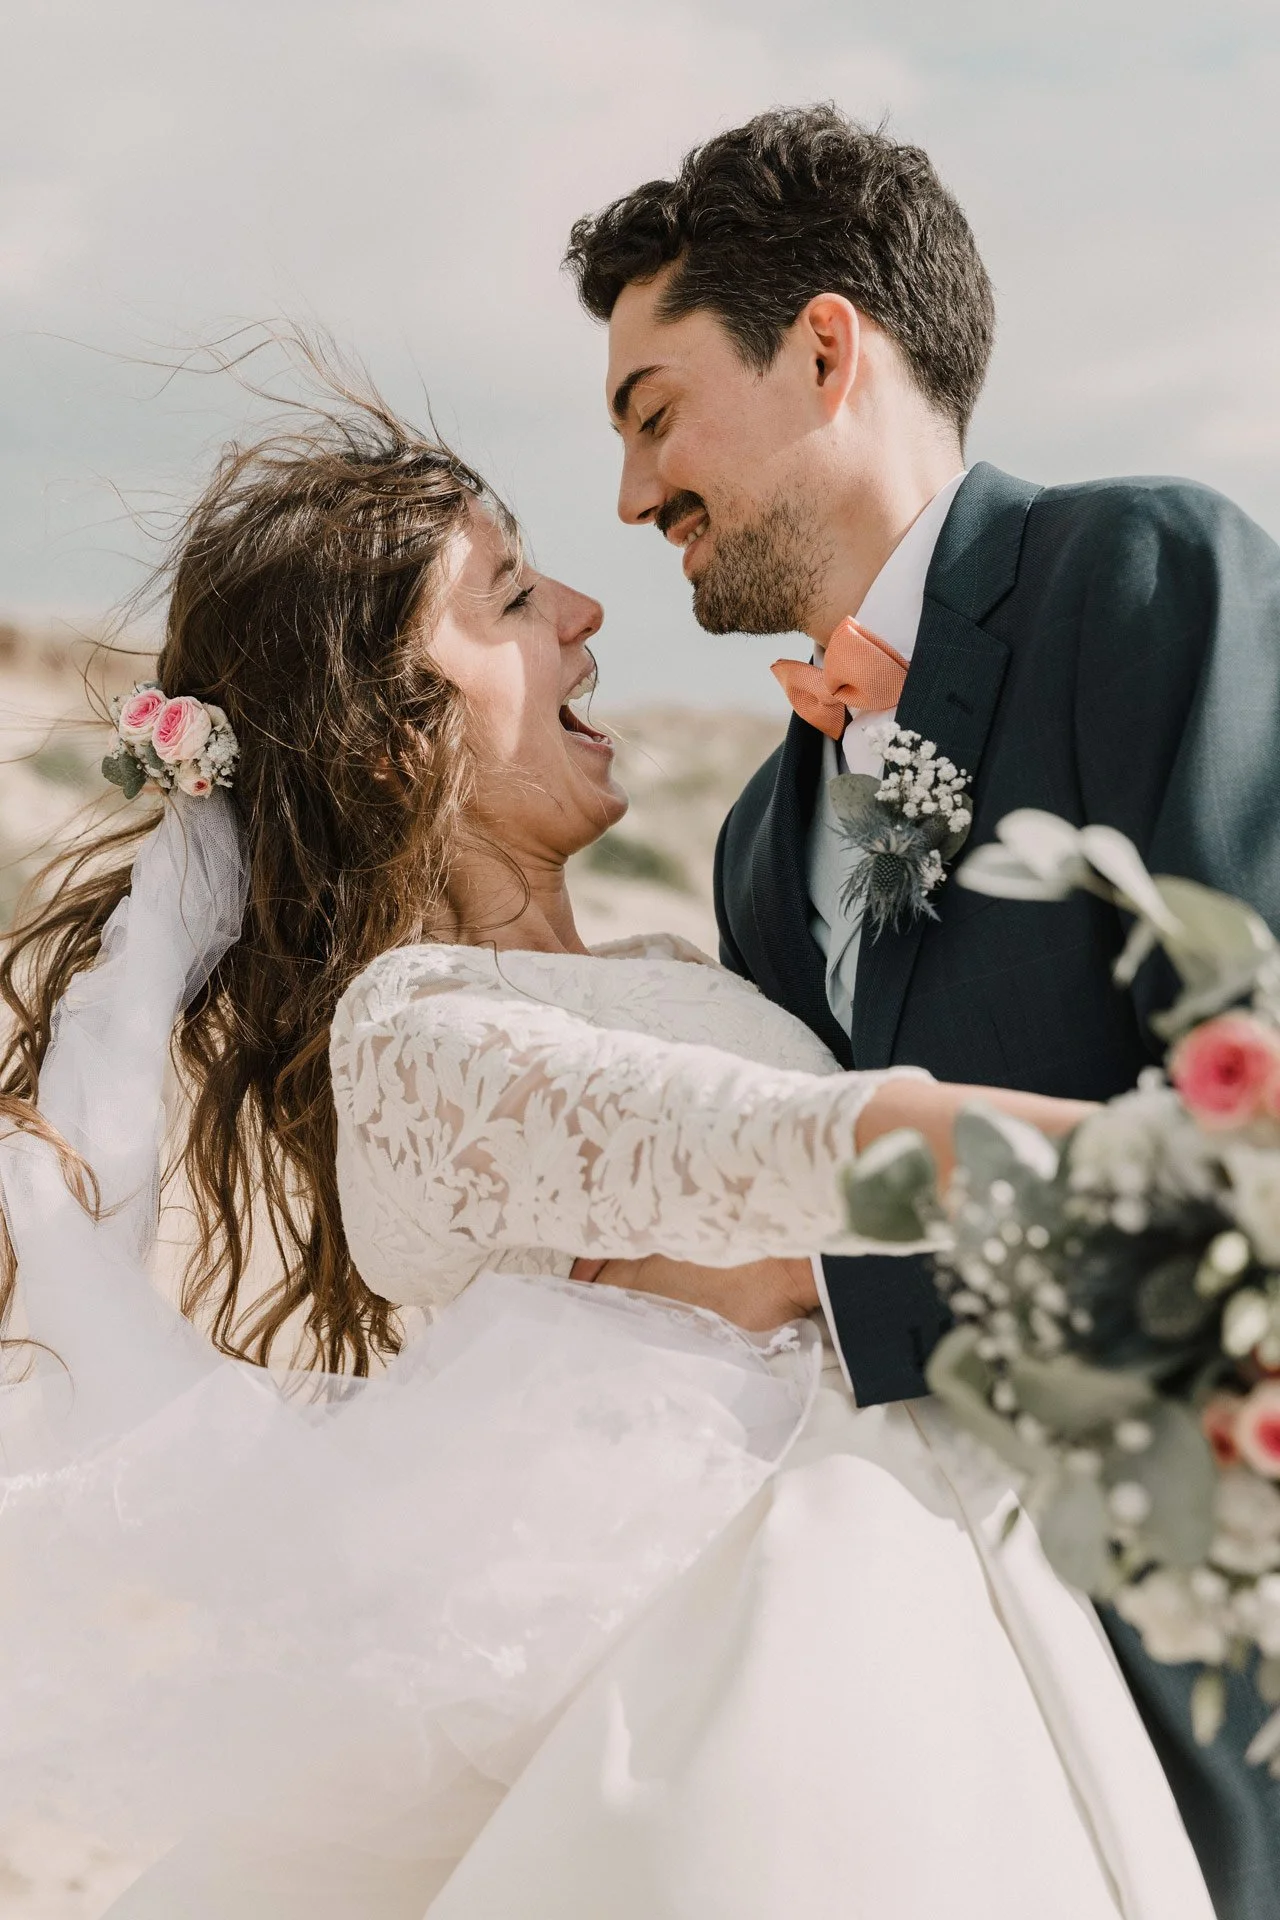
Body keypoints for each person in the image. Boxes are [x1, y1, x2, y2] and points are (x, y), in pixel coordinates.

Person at [0, 389, 1209, 1918]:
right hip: (782, 1633)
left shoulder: (688, 953)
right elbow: (791, 1151)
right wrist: (1206, 1165)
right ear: (396, 741)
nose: (581, 611)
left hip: (952, 1544)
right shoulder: (414, 1032)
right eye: (511, 597)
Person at [565, 103, 1280, 1918]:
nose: (632, 498)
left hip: (1208, 1672)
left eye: (653, 413)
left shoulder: (1146, 582)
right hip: (920, 1697)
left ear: (825, 348)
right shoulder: (756, 842)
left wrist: (814, 1275)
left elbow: (1257, 1148)